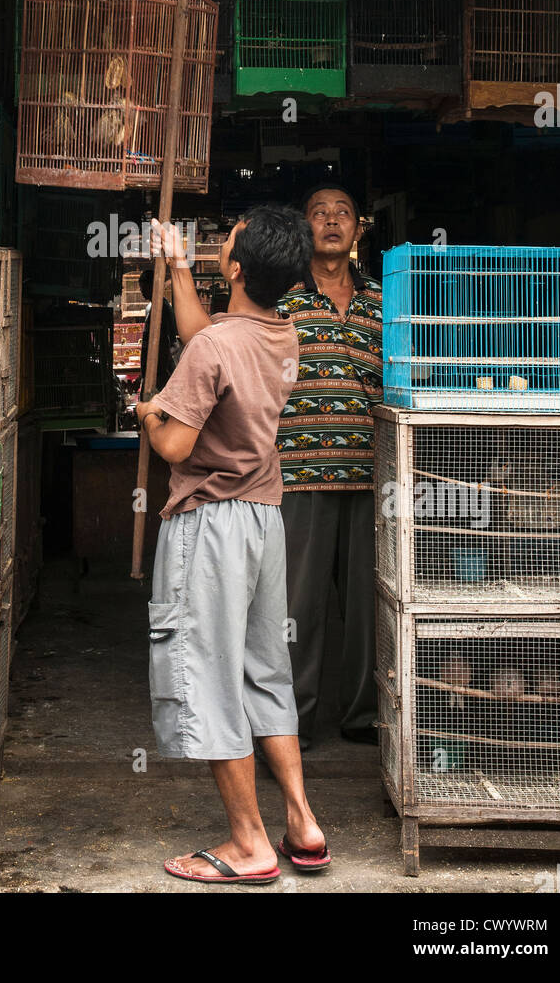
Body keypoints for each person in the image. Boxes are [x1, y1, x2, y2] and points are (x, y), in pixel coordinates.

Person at [136, 206, 329, 884]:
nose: (228, 238)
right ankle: (302, 820)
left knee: (207, 677)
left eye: (233, 238)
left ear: (239, 268)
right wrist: (181, 269)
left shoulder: (215, 348)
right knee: (264, 673)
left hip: (209, 523)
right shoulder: (280, 332)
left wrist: (150, 412)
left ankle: (250, 844)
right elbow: (206, 338)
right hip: (261, 519)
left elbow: (177, 443)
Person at [276, 183, 383, 748]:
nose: (333, 221)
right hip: (299, 473)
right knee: (300, 605)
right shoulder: (283, 299)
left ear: (359, 228)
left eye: (344, 212)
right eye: (319, 212)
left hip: (370, 474)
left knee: (368, 604)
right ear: (305, 228)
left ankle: (364, 714)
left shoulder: (383, 301)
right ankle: (293, 720)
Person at [138, 267, 179, 392]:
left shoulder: (162, 309)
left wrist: (155, 373)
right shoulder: (152, 308)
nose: (141, 291)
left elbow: (166, 344)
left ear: (152, 286)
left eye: (144, 287)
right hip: (155, 371)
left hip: (160, 372)